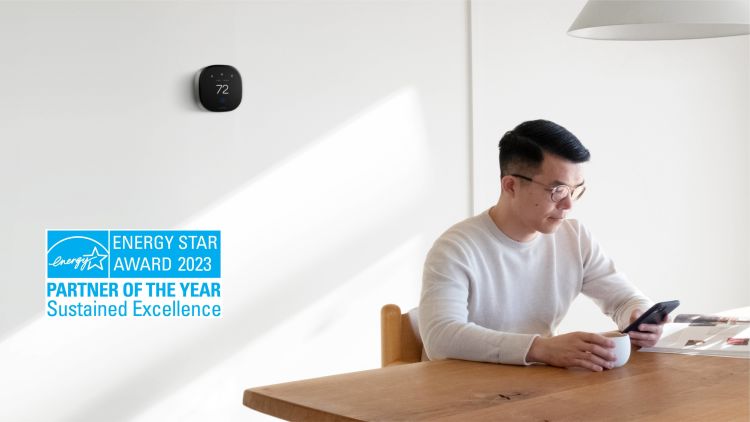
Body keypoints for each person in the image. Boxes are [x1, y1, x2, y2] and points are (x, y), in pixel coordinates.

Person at [419, 119, 665, 372]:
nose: (568, 205)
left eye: (576, 190)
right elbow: (440, 337)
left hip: (536, 386)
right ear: (511, 185)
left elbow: (626, 300)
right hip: (461, 391)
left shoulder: (574, 238)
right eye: (557, 190)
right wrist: (541, 348)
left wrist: (639, 319)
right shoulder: (456, 248)